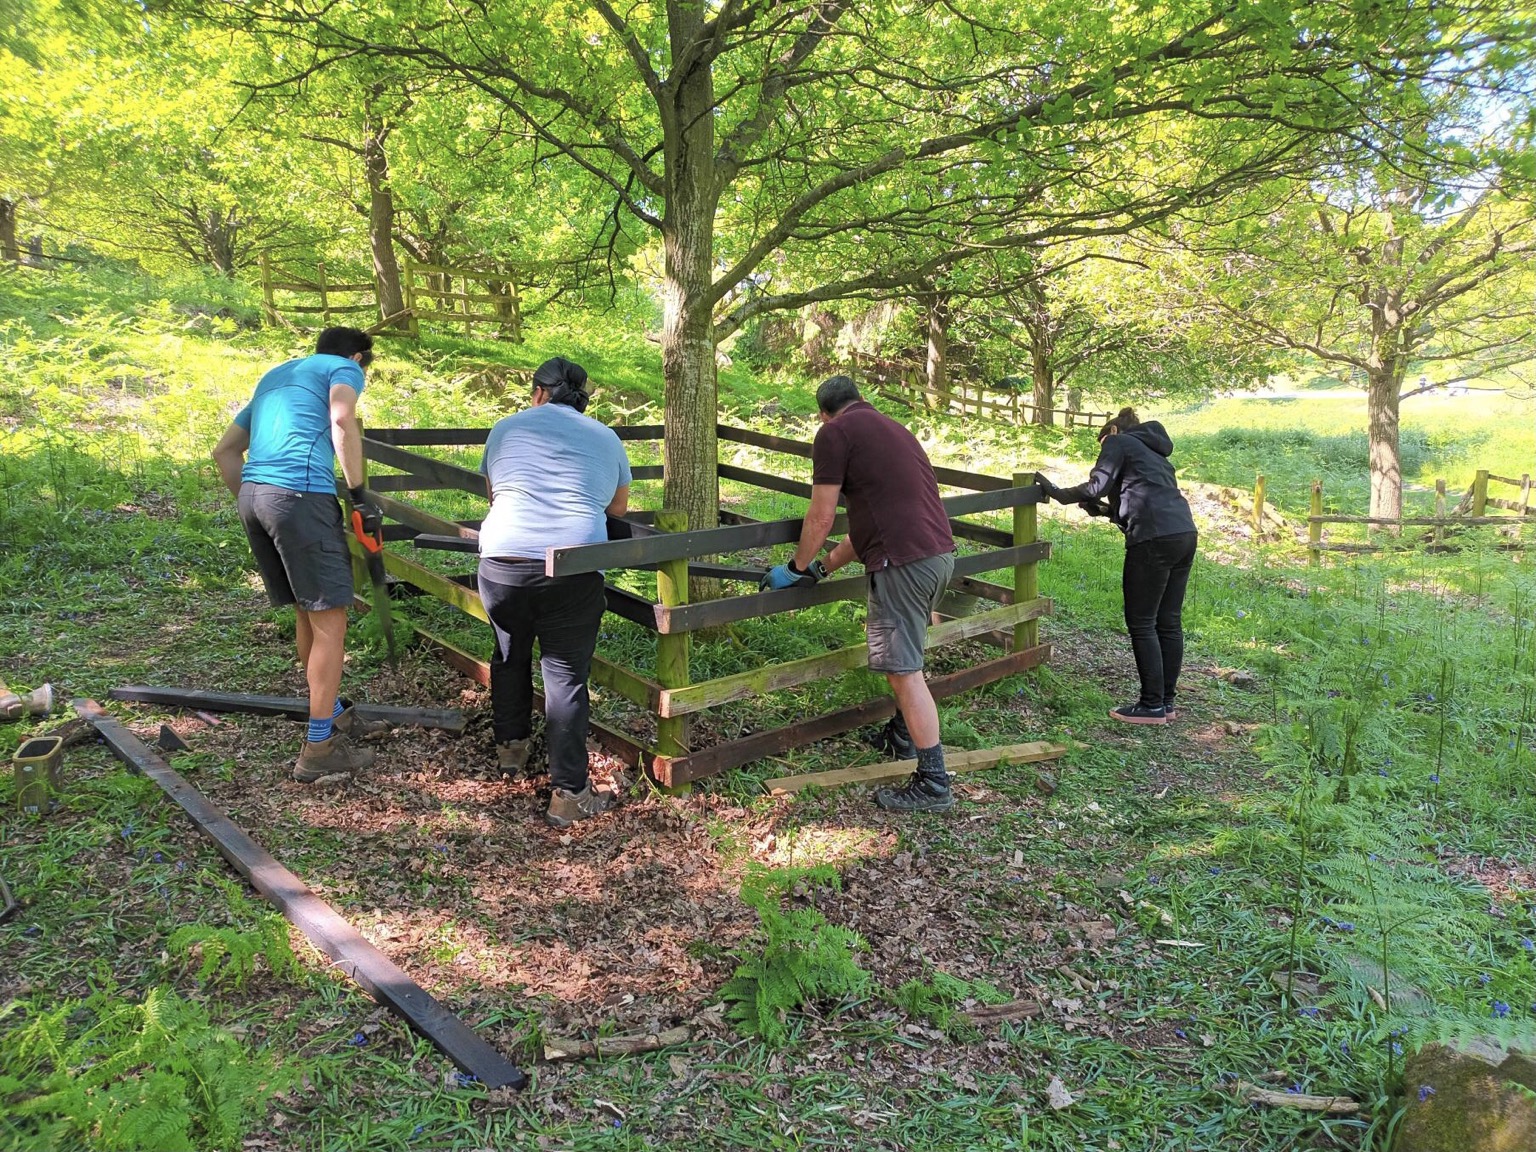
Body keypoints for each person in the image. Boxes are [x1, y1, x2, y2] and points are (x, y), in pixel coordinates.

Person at [761, 376, 957, 812]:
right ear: (861, 400)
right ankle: (901, 735)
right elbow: (868, 527)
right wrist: (819, 568)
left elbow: (821, 515)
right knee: (907, 656)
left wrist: (793, 569)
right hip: (937, 556)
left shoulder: (834, 433)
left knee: (903, 671)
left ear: (824, 413)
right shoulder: (893, 430)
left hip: (902, 564)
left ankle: (934, 781)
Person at [211, 326, 391, 782]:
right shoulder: (342, 367)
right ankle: (318, 749)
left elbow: (226, 451)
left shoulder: (278, 376)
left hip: (255, 495)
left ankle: (330, 714)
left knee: (308, 613)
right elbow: (343, 420)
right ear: (357, 356)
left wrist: (257, 499)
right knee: (331, 622)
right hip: (300, 495)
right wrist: (358, 494)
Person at [478, 356, 631, 828]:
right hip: (571, 567)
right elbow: (617, 509)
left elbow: (493, 493)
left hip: (502, 560)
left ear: (538, 392)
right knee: (564, 676)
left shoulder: (505, 429)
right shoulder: (606, 438)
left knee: (508, 652)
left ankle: (512, 748)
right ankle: (569, 791)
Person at [1038, 406, 1198, 725]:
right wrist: (1105, 512)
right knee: (1168, 621)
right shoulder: (1154, 450)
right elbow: (1140, 495)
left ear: (1111, 433)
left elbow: (1097, 485)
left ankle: (1151, 704)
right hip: (1183, 533)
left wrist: (1057, 493)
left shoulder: (1118, 442)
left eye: (1101, 448)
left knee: (1142, 621)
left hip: (1152, 539)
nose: (1103, 454)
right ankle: (1165, 702)